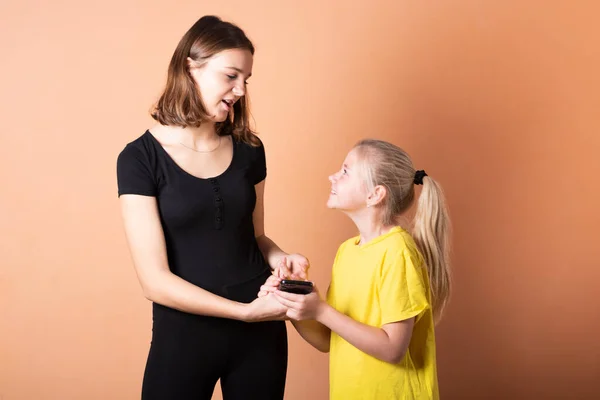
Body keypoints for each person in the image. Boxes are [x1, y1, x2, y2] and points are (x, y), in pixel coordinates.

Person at [116, 15, 308, 400]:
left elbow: (255, 237)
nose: (240, 89)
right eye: (231, 76)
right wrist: (244, 312)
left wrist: (280, 257)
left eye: (246, 80)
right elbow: (154, 281)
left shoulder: (250, 149)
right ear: (191, 66)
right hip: (185, 339)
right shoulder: (139, 159)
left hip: (261, 338)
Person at [260, 139, 452, 399]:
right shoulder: (347, 251)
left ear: (375, 194)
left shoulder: (398, 252)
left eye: (345, 171)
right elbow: (328, 340)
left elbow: (393, 348)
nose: (332, 176)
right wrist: (294, 306)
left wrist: (321, 309)